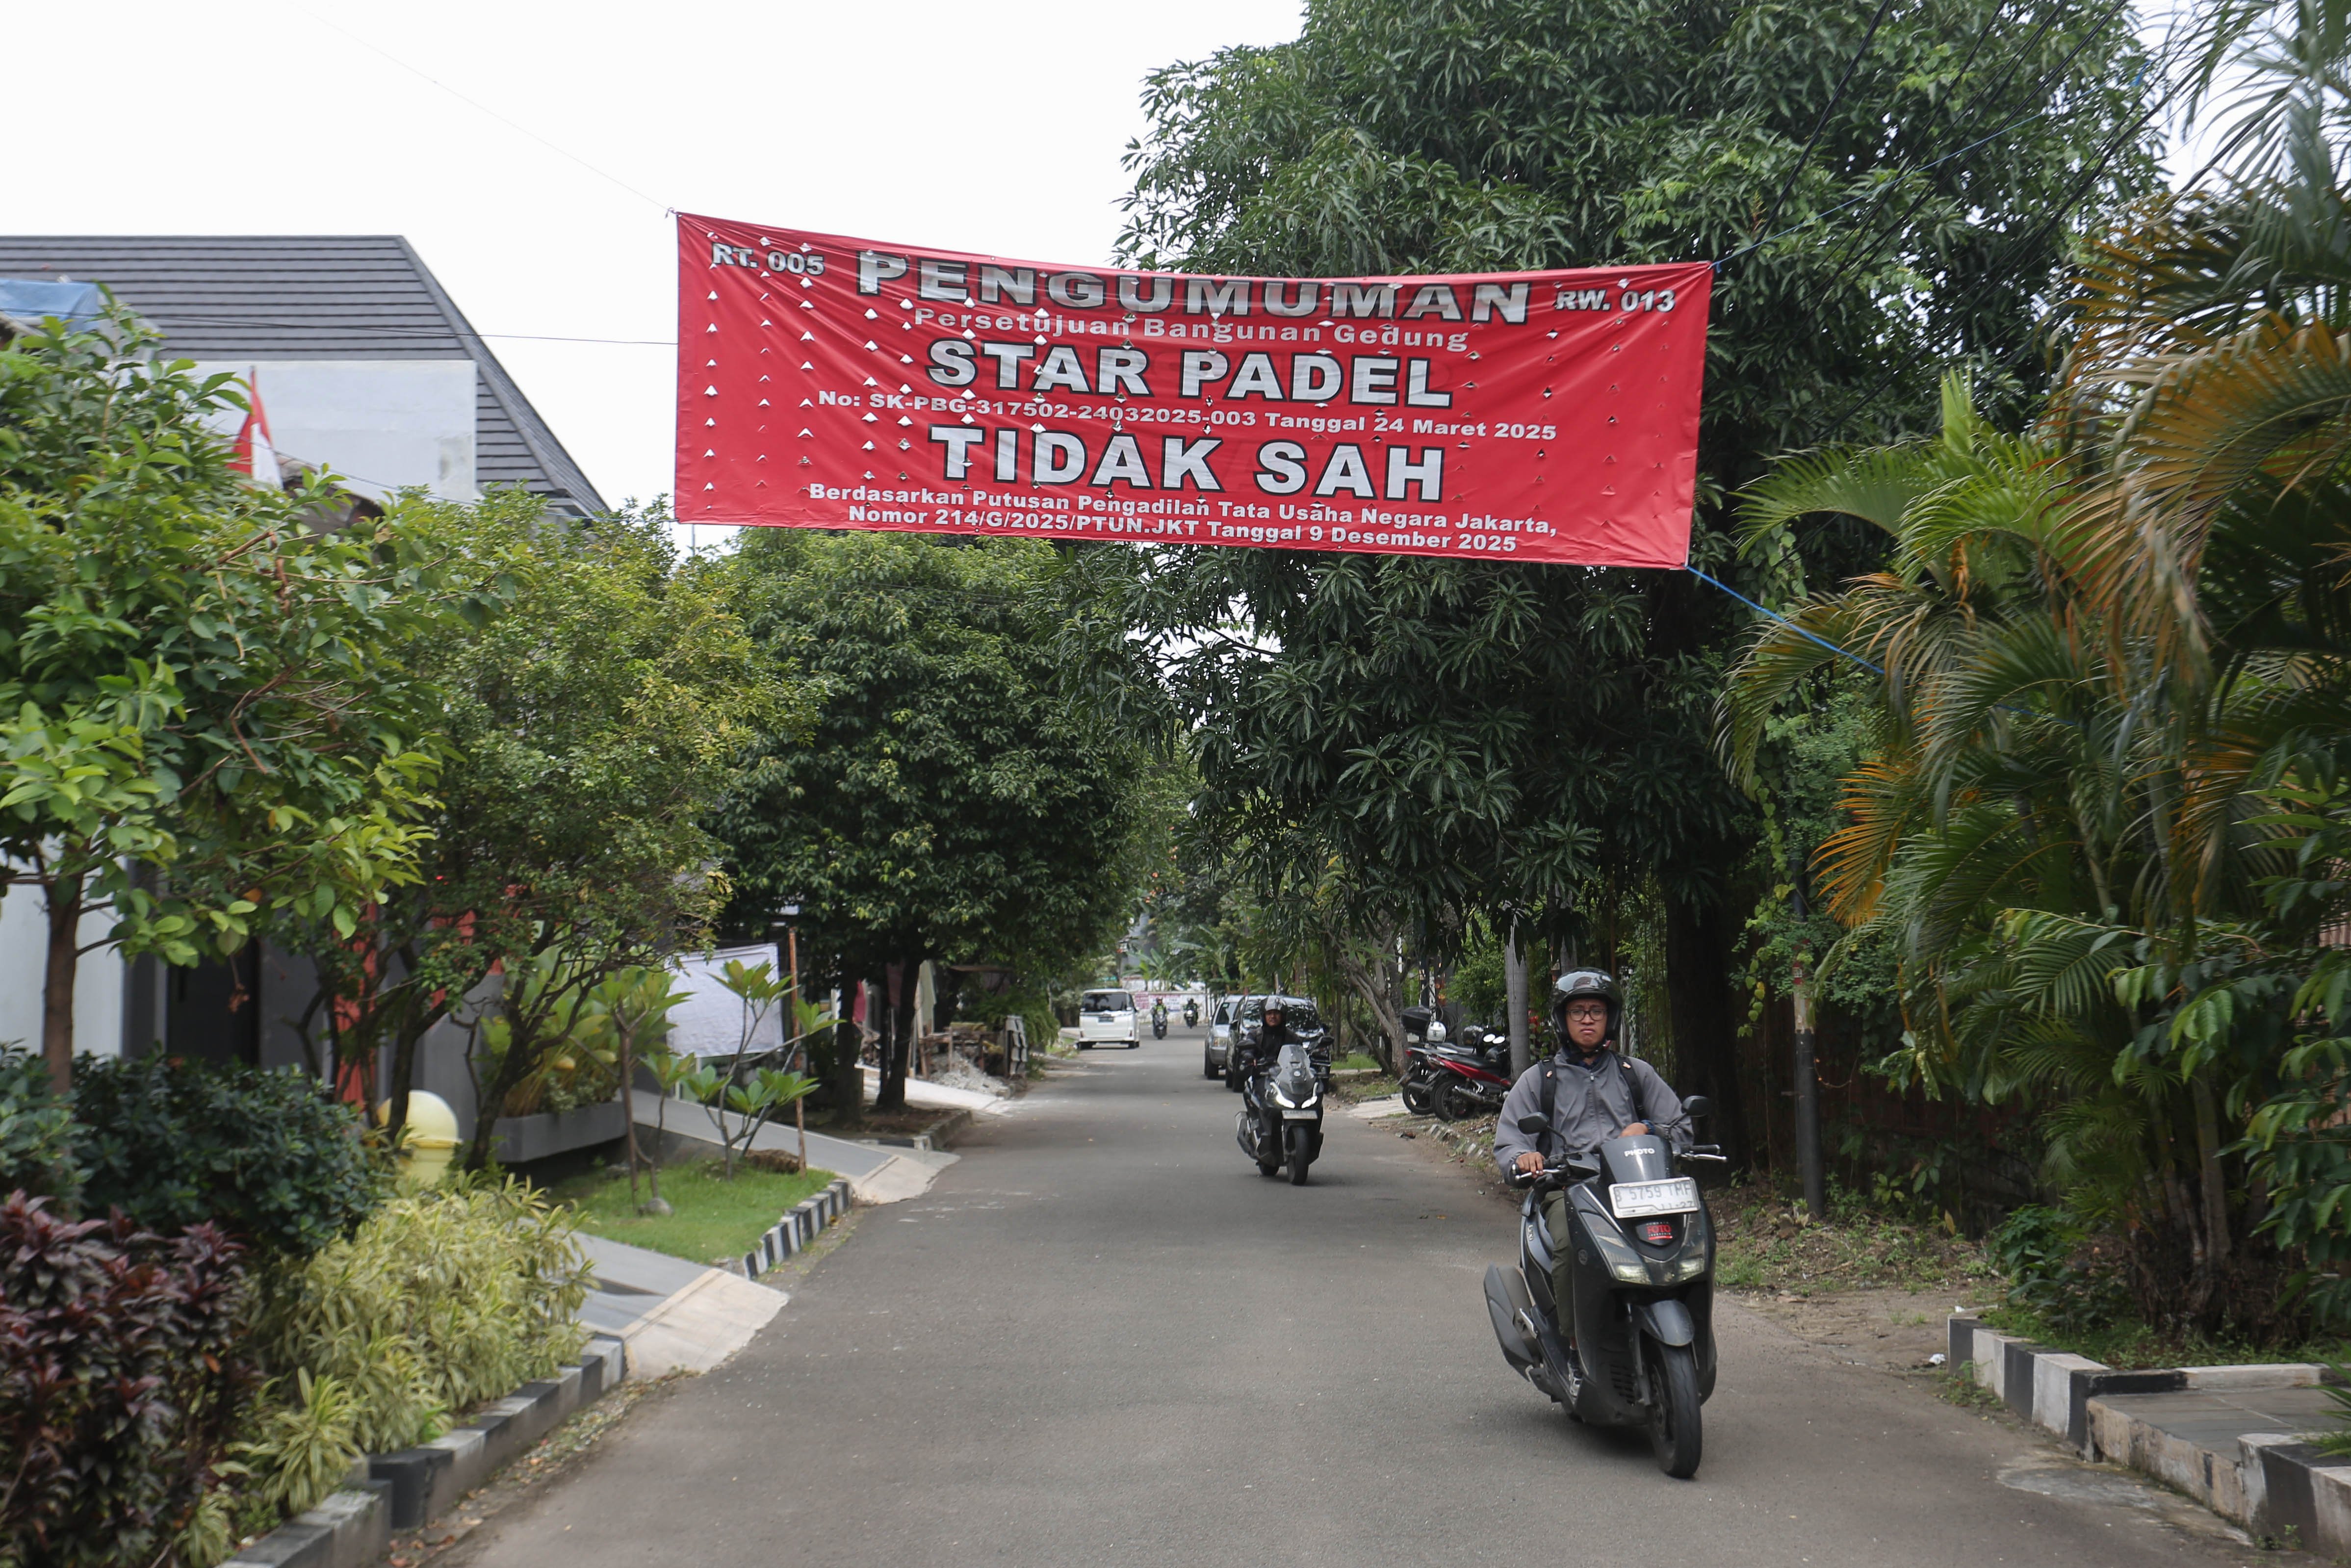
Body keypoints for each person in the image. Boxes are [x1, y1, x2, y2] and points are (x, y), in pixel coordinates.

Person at [1492, 971, 1688, 1334]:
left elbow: (1680, 1127)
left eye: (1596, 1010)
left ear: (1609, 1018)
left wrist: (1647, 1129)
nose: (1586, 1018)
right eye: (1577, 1011)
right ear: (1562, 1020)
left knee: (1680, 1241)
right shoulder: (1540, 1079)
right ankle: (1575, 1346)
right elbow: (1510, 1140)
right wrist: (1524, 1157)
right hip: (1568, 1190)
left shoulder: (1635, 1073)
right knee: (1570, 1245)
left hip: (1635, 1189)